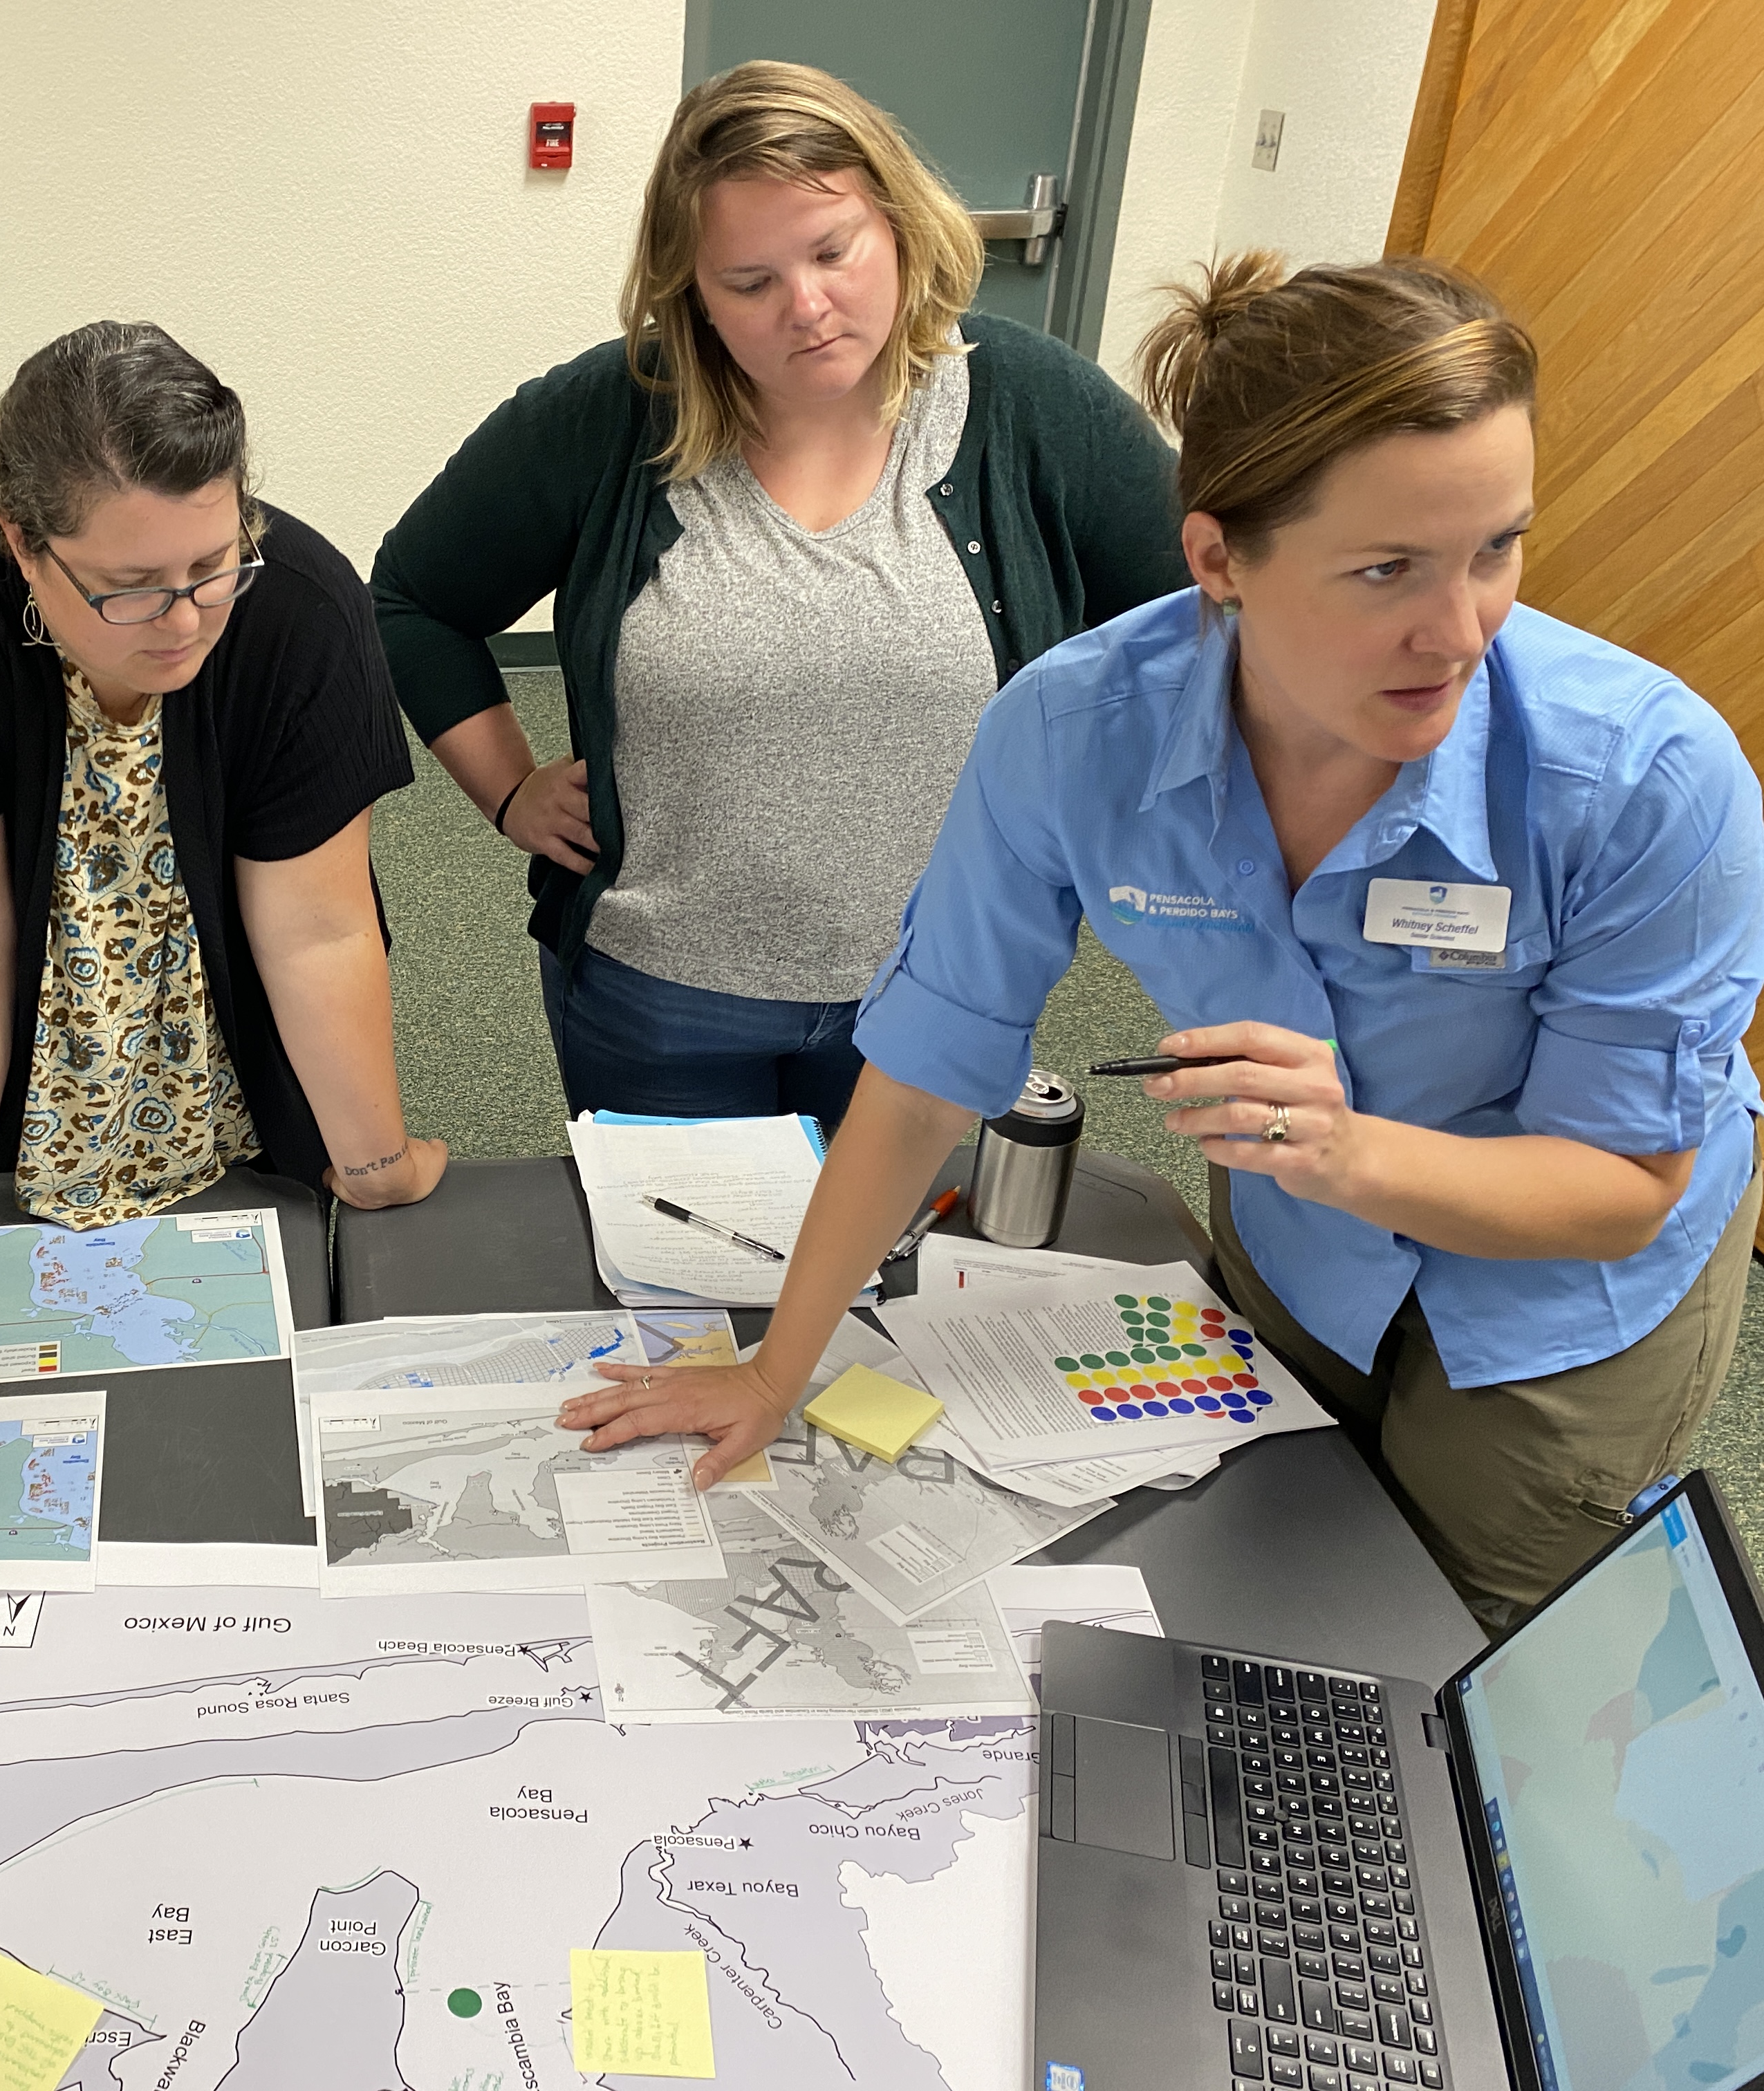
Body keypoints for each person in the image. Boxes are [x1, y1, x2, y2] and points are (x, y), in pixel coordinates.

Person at [562, 253, 1764, 1630]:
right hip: (1309, 1230)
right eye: (1388, 571)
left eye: (1497, 549)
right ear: (1218, 563)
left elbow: (1624, 1183)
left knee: (1476, 1642)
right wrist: (781, 1371)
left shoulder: (1649, 778)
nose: (1460, 630)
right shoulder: (1074, 731)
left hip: (1567, 1296)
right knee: (1269, 1573)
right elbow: (925, 1073)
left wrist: (1350, 1152)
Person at [373, 62, 1186, 1127]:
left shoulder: (1033, 406)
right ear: (693, 298)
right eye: (748, 283)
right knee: (675, 1283)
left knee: (890, 1281)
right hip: (654, 988)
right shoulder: (614, 416)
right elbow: (412, 599)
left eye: (833, 251)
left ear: (896, 223)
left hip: (936, 990)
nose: (807, 309)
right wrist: (509, 791)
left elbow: (1200, 628)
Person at [0, 320, 445, 1232]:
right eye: (131, 584)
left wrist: (376, 1162)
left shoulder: (302, 608)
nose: (183, 621)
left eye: (212, 565)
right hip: (38, 1059)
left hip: (239, 1049)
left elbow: (316, 931)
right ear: (22, 543)